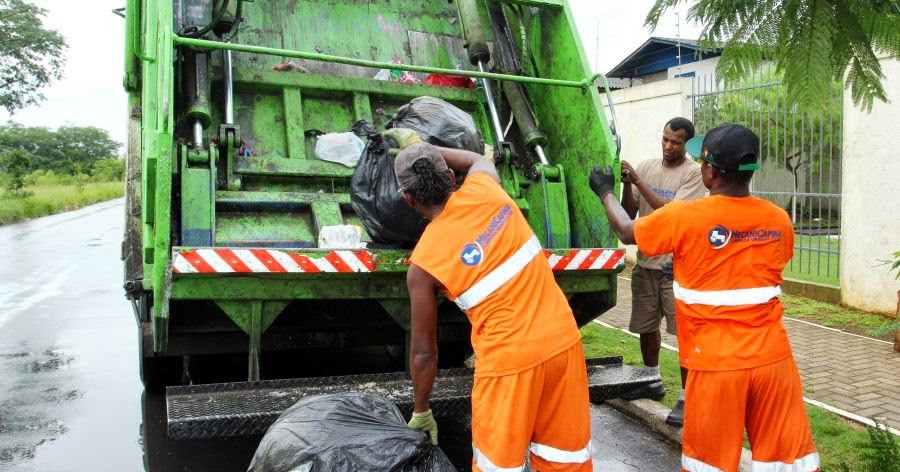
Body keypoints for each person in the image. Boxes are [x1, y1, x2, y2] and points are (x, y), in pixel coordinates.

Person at [589, 124, 819, 472]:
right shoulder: (779, 220)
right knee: (788, 464)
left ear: (709, 172)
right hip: (774, 365)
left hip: (716, 368)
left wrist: (605, 190)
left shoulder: (686, 217)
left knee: (709, 466)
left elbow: (626, 230)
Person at [390, 132, 593, 472]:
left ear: (408, 199)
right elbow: (477, 159)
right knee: (565, 458)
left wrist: (422, 410)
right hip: (563, 342)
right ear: (451, 177)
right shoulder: (485, 188)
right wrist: (425, 150)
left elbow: (424, 353)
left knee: (498, 465)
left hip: (508, 364)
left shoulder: (423, 264)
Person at [619, 117, 706, 428]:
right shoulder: (647, 166)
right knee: (645, 325)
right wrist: (627, 185)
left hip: (676, 267)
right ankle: (651, 378)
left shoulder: (694, 174)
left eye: (676, 142)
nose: (669, 147)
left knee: (684, 334)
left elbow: (669, 213)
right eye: (666, 139)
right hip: (645, 262)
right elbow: (629, 213)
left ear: (687, 144)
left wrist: (639, 180)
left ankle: (687, 396)